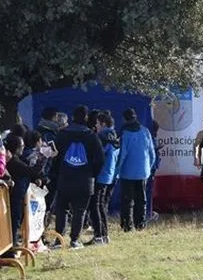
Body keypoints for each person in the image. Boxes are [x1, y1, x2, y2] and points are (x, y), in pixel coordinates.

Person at [52, 106, 104, 248]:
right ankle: (74, 240)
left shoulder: (62, 134)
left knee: (62, 209)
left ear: (73, 117)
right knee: (80, 211)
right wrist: (92, 173)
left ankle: (59, 239)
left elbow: (54, 156)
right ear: (86, 118)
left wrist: (57, 172)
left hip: (65, 177)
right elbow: (100, 159)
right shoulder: (91, 136)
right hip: (85, 179)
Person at [115, 108, 155, 233]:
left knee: (127, 201)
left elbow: (123, 154)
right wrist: (148, 169)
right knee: (141, 199)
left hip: (127, 172)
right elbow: (152, 153)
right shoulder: (145, 131)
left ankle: (127, 226)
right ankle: (140, 224)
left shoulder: (125, 133)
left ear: (124, 119)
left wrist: (116, 171)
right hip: (143, 172)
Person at [5, 135, 45, 245]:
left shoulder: (16, 160)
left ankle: (12, 243)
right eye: (22, 146)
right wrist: (42, 159)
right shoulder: (14, 162)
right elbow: (30, 171)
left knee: (16, 221)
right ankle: (11, 246)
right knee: (14, 222)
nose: (23, 148)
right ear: (17, 148)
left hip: (17, 195)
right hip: (14, 197)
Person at [88, 113, 119, 245]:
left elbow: (98, 156)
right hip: (110, 175)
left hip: (100, 175)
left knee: (95, 206)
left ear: (103, 124)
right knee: (102, 206)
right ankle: (104, 235)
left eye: (97, 123)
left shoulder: (101, 137)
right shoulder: (115, 136)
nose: (95, 126)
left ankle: (99, 235)